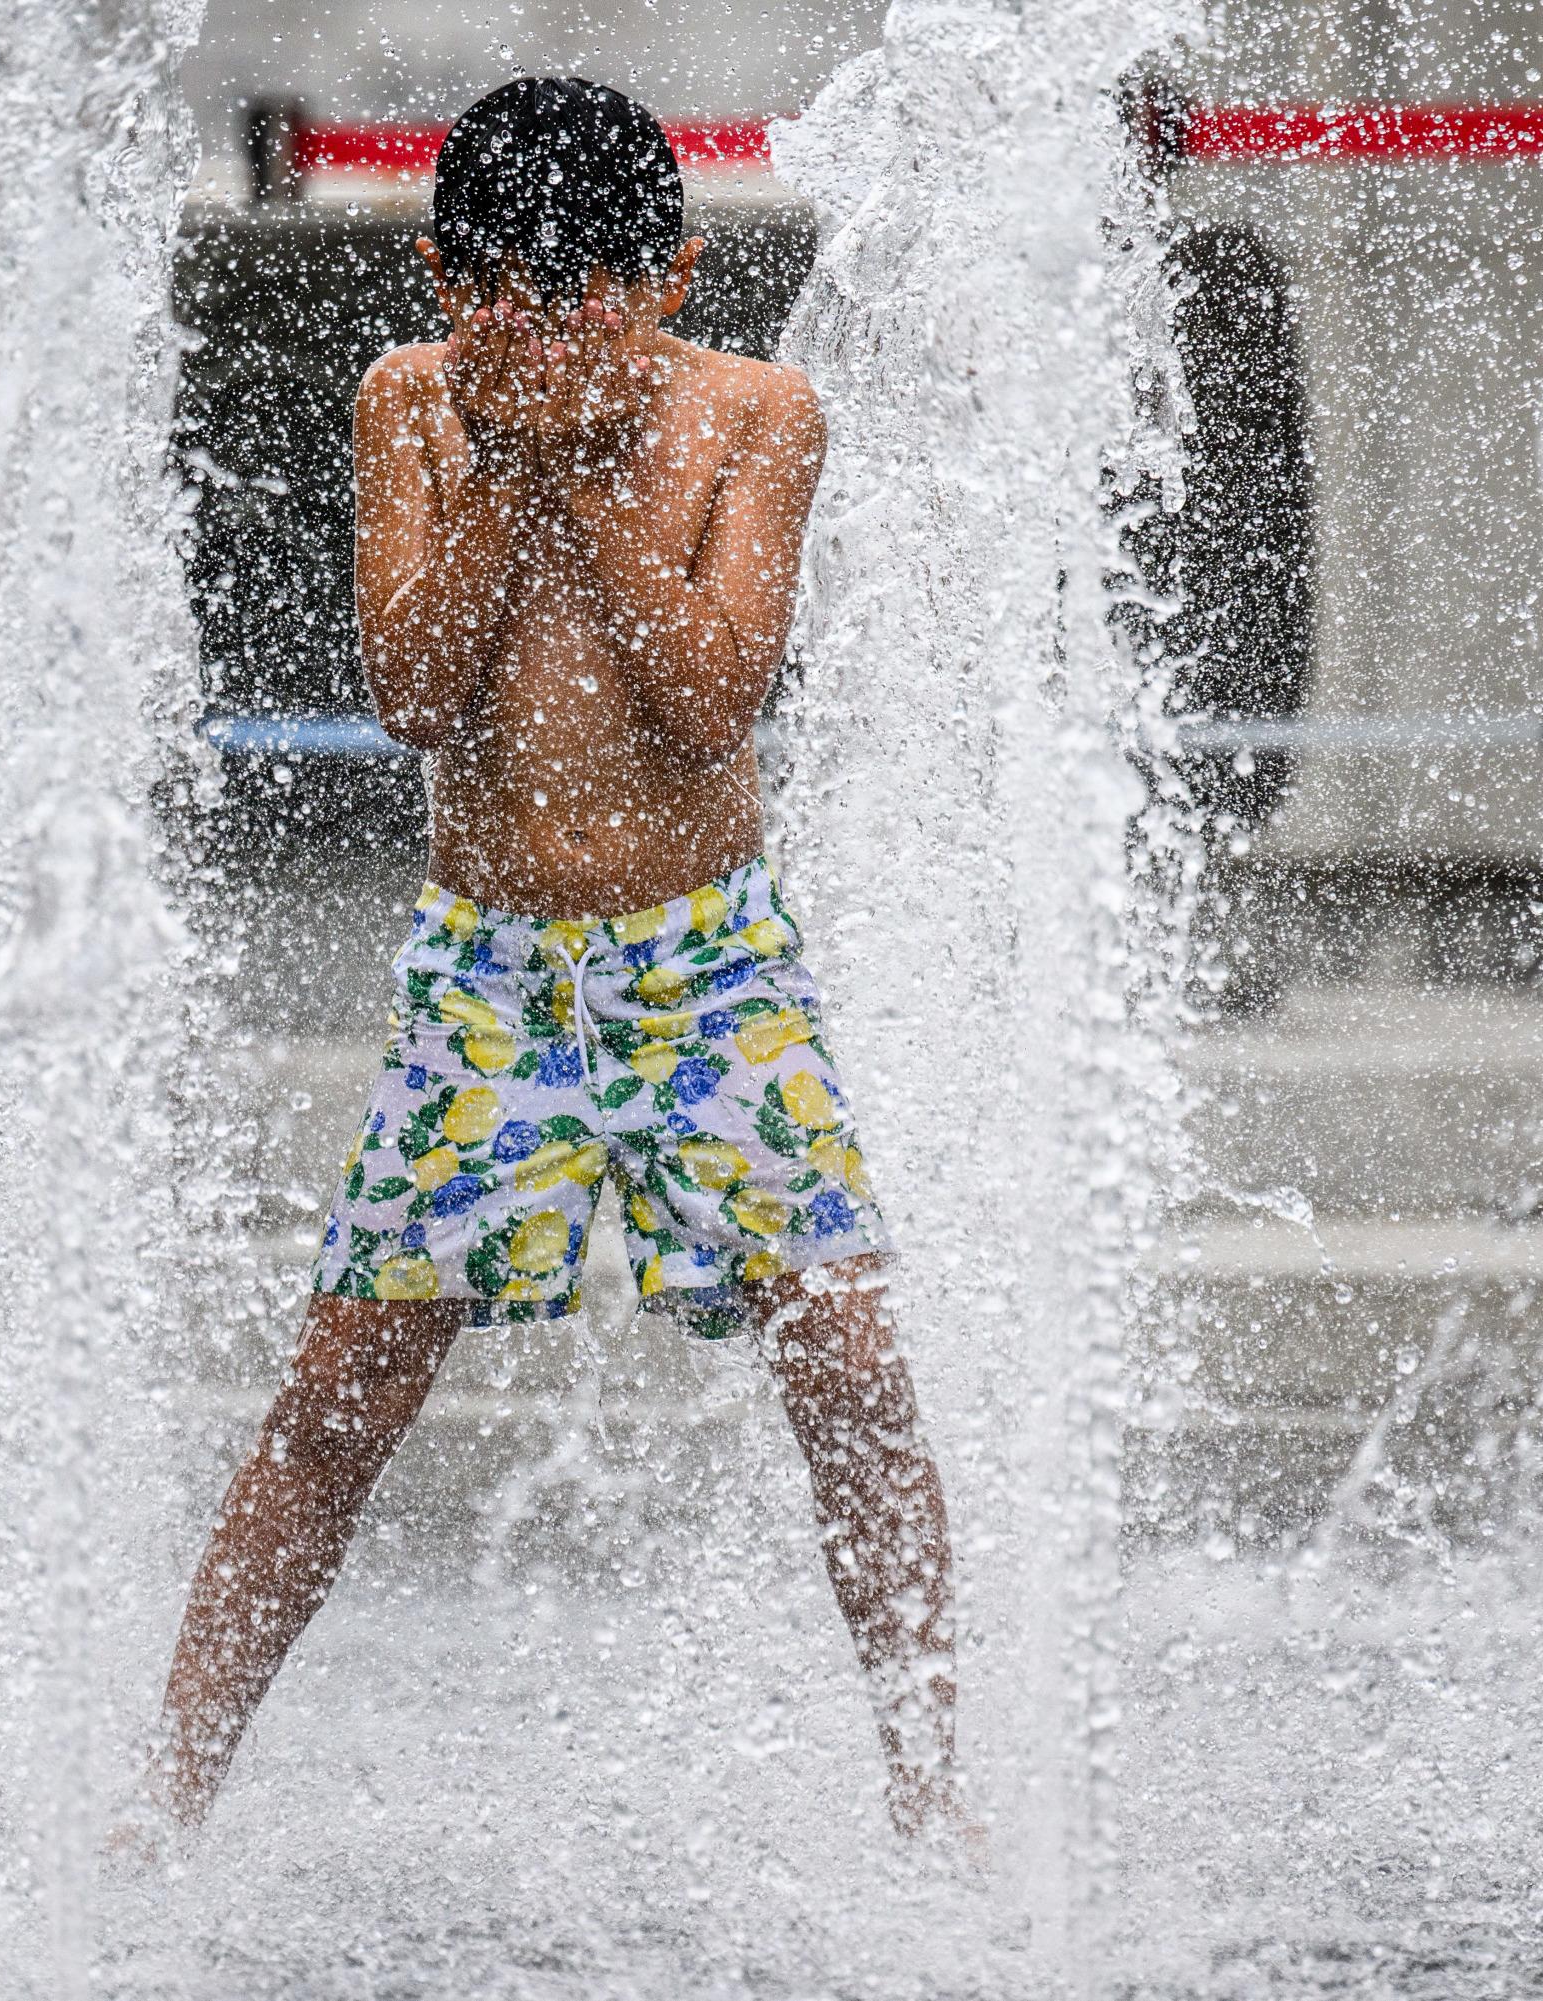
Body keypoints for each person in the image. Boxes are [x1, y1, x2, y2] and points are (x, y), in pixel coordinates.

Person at [144, 78, 965, 1845]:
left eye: (596, 283)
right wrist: (510, 476)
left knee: (850, 1367)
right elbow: (417, 693)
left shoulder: (760, 414)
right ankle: (164, 1795)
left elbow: (710, 695)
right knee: (339, 1393)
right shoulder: (412, 408)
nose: (558, 320)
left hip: (704, 961)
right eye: (514, 286)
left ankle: (933, 1791)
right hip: (494, 971)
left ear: (667, 275)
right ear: (451, 282)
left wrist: (584, 475)